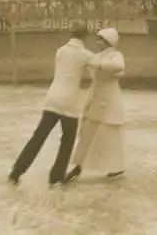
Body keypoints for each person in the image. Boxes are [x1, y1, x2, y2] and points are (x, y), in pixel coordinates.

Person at [8, 23, 94, 188]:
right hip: (69, 102)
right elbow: (97, 67)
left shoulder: (60, 51)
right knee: (67, 140)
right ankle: (56, 177)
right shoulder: (85, 55)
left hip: (52, 98)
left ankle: (17, 171)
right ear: (84, 38)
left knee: (38, 137)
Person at [65, 28, 126, 183]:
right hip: (95, 96)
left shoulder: (115, 55)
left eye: (101, 39)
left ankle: (115, 166)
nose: (97, 42)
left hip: (110, 98)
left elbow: (118, 66)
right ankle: (78, 166)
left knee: (108, 134)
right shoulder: (96, 56)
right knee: (87, 132)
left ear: (108, 42)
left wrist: (99, 65)